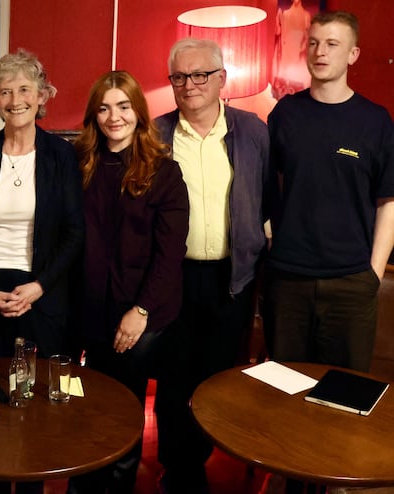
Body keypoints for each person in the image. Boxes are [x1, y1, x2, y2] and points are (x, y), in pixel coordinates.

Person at [0, 49, 84, 494]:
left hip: (41, 295)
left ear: (41, 96)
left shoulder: (60, 156)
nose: (15, 99)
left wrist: (38, 287)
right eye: (5, 90)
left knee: (33, 411)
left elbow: (74, 234)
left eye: (24, 89)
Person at [153, 37, 274, 494]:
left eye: (200, 74)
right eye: (180, 76)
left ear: (221, 79)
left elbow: (264, 195)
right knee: (173, 379)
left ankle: (199, 459)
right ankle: (176, 468)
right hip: (173, 279)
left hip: (232, 278)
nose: (190, 85)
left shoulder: (252, 130)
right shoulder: (157, 133)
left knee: (215, 377)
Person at [66, 70, 189, 494]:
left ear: (138, 111)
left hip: (139, 311)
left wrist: (140, 314)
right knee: (83, 405)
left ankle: (118, 485)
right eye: (103, 108)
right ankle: (83, 484)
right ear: (93, 115)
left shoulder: (164, 172)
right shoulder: (78, 164)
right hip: (87, 309)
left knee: (123, 407)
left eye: (122, 106)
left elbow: (169, 255)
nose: (113, 116)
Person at [266, 9, 394, 402]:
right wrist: (273, 237)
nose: (320, 52)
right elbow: (266, 188)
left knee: (344, 397)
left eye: (333, 44)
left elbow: (388, 201)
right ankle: (283, 466)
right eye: (315, 42)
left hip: (351, 281)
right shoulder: (285, 114)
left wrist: (372, 271)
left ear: (353, 54)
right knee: (286, 388)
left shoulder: (376, 121)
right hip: (288, 280)